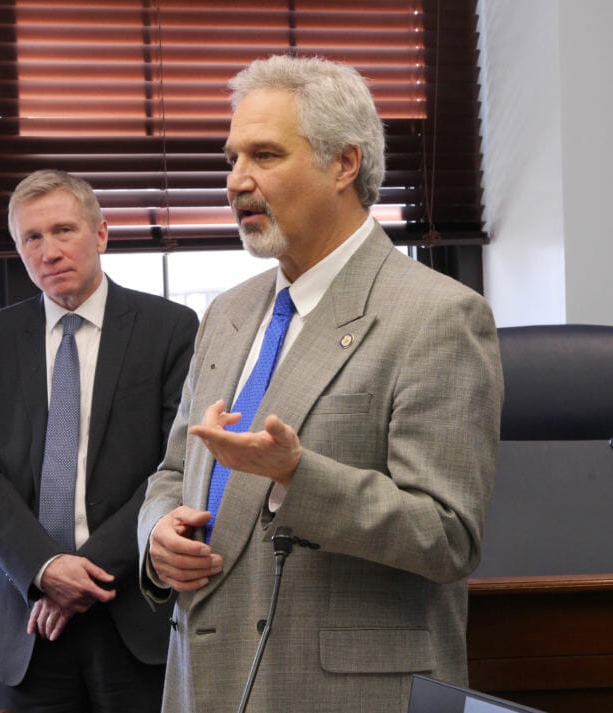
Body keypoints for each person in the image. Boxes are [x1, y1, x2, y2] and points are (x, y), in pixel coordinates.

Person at [137, 55, 504, 713]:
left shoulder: (439, 315)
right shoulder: (227, 312)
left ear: (344, 164)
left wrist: (297, 478)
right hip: (203, 683)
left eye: (265, 155)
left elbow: (448, 534)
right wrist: (159, 535)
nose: (237, 181)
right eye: (231, 158)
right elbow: (171, 470)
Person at [0, 169, 198, 713]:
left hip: (133, 609)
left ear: (102, 234)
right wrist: (44, 570)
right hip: (30, 622)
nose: (49, 251)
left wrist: (81, 575)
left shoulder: (171, 329)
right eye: (31, 238)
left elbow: (178, 466)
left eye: (64, 230)